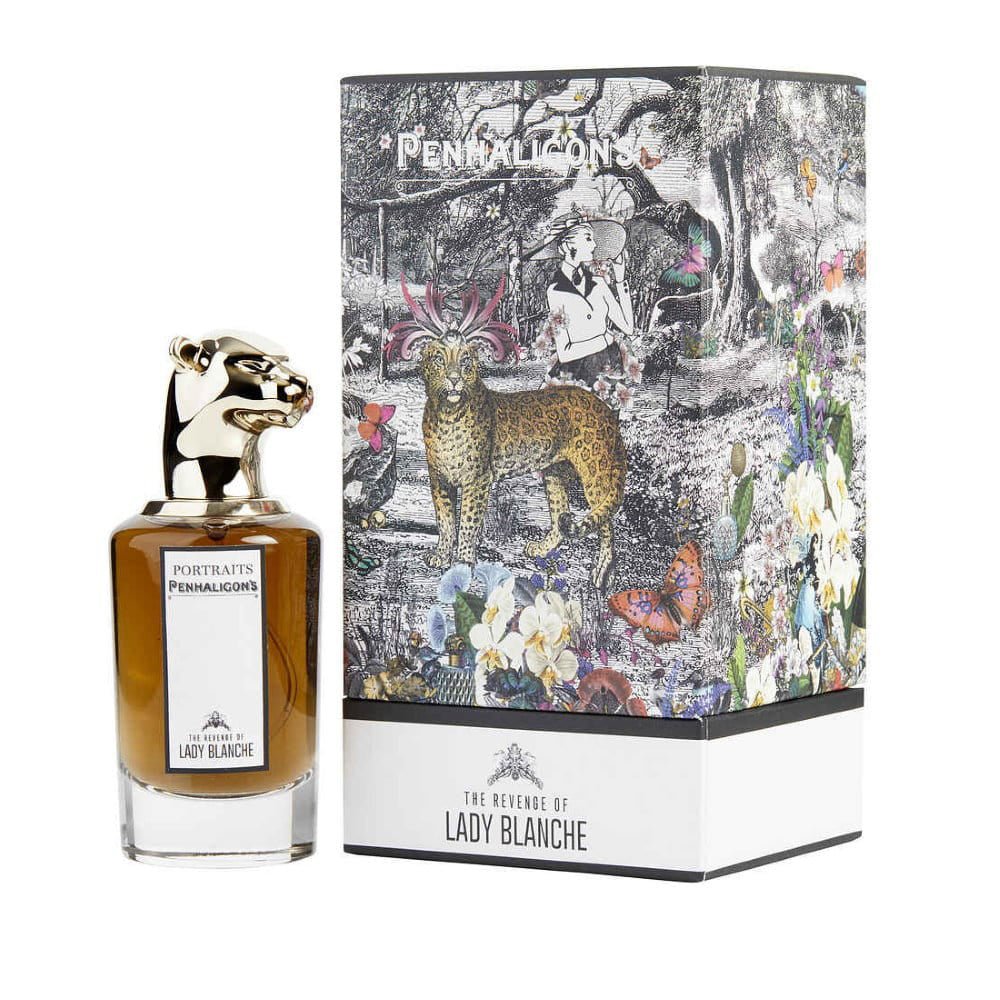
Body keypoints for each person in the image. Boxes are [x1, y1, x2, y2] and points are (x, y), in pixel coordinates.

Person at [528, 212, 634, 387]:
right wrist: (605, 339)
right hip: (576, 373)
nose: (594, 244)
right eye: (587, 238)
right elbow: (565, 353)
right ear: (567, 246)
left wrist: (621, 280)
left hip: (608, 368)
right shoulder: (555, 291)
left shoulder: (599, 283)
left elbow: (628, 327)